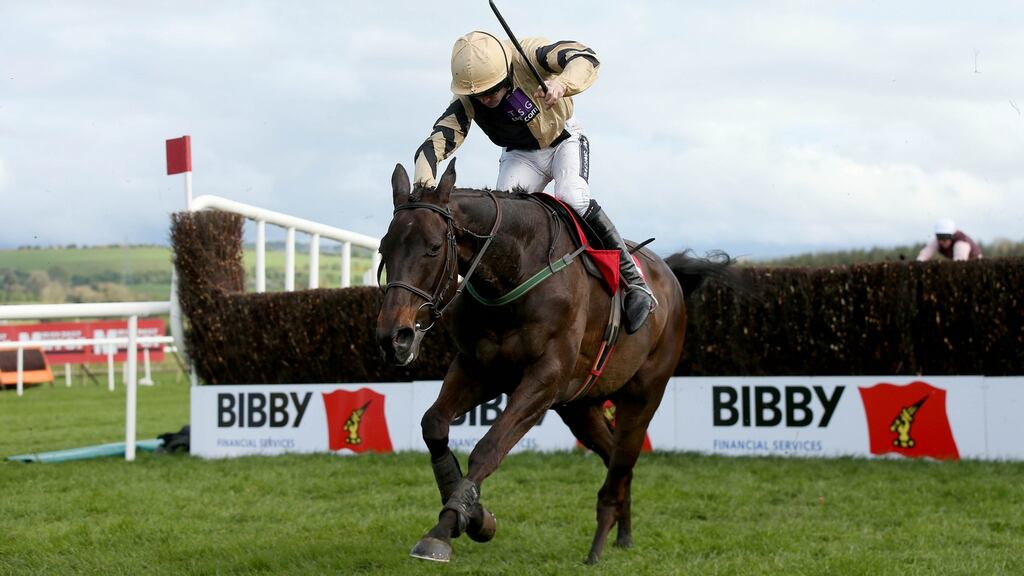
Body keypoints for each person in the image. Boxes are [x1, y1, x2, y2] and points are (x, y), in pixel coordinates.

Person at [413, 31, 656, 333]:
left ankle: (635, 282)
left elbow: (586, 57)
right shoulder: (468, 97)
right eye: (479, 96)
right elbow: (435, 143)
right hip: (521, 155)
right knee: (500, 222)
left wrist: (561, 82)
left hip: (563, 141)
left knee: (572, 196)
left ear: (505, 74)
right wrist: (422, 188)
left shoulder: (529, 54)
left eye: (491, 91)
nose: (486, 101)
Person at [916, 218, 983, 261]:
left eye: (945, 237)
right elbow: (925, 254)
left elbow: (959, 263)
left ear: (952, 236)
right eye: (939, 237)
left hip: (975, 264)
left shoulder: (961, 243)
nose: (941, 241)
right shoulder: (938, 241)